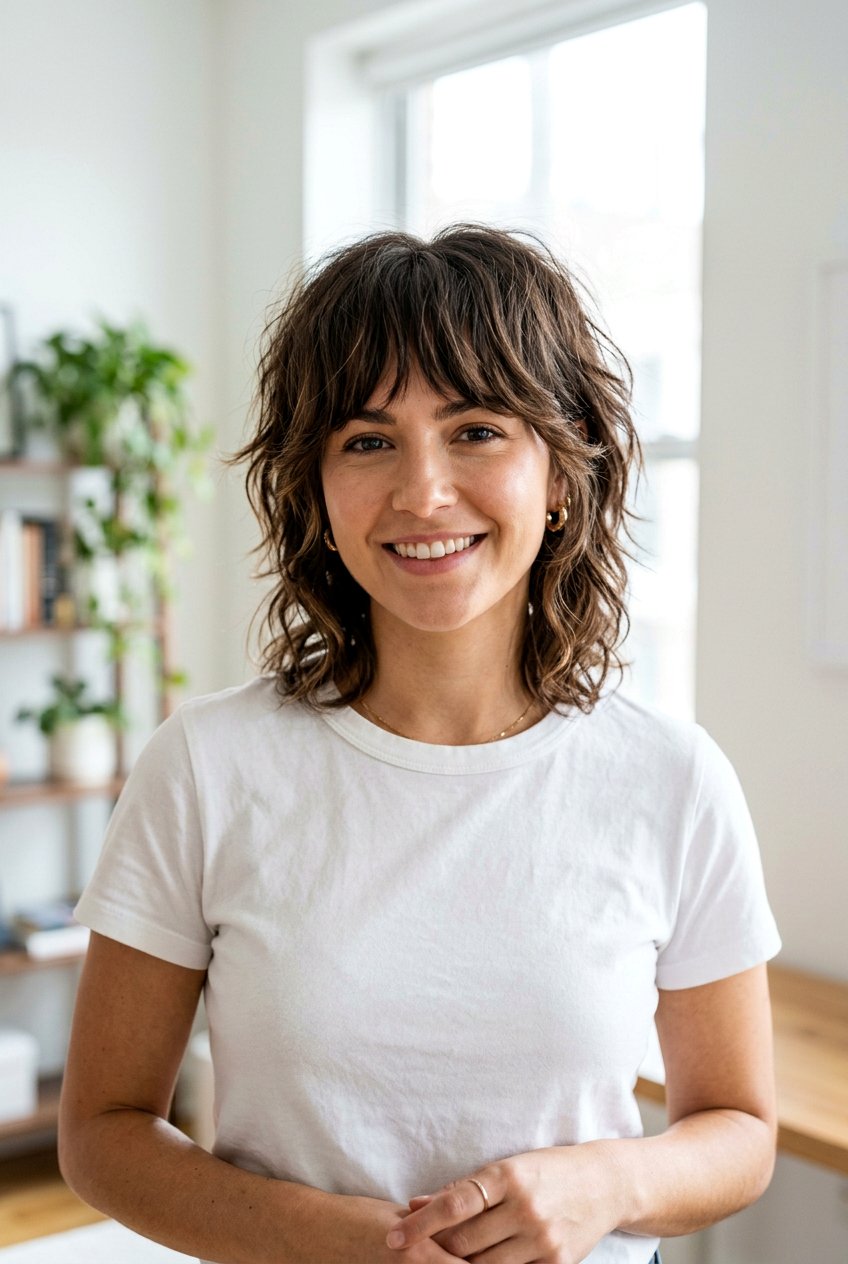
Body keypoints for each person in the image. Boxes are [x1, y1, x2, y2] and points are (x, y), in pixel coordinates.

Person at [59, 224, 781, 1264]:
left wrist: (603, 1183)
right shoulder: (207, 766)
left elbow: (739, 1132)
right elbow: (102, 1134)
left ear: (562, 468)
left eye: (476, 429)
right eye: (366, 440)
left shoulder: (671, 779)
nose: (422, 491)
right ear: (313, 483)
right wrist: (346, 1243)